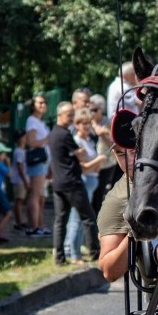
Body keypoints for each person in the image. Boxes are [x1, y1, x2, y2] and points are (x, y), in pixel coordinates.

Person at [48, 102, 102, 266]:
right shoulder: (64, 134)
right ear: (59, 115)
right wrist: (81, 153)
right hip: (71, 182)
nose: (71, 117)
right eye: (68, 114)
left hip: (58, 183)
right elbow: (82, 156)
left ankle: (59, 257)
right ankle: (94, 253)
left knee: (61, 221)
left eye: (72, 114)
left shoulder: (53, 133)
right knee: (88, 218)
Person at [64, 109, 104, 264]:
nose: (87, 126)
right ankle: (73, 254)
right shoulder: (77, 141)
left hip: (92, 182)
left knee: (82, 219)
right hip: (83, 182)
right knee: (77, 218)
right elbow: (84, 167)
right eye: (84, 124)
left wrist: (97, 163)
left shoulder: (89, 141)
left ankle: (73, 250)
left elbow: (93, 166)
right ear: (77, 125)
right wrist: (99, 160)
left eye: (89, 123)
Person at [97, 146, 136, 282]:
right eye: (120, 154)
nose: (129, 160)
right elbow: (109, 271)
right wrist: (136, 232)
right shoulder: (117, 200)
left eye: (134, 151)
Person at [25, 94, 51, 237]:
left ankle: (39, 225)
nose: (43, 105)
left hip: (43, 162)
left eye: (45, 102)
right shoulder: (32, 121)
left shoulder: (40, 122)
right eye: (40, 103)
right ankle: (33, 227)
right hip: (37, 161)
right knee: (35, 195)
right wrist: (48, 138)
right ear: (33, 105)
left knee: (40, 196)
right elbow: (31, 142)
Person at [89, 93, 120, 213]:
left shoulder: (108, 122)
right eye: (90, 109)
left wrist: (102, 133)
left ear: (101, 110)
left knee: (99, 191)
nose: (91, 112)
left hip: (105, 163)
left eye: (94, 110)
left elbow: (112, 144)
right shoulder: (87, 121)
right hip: (91, 162)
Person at [9, 129, 30, 232]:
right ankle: (19, 222)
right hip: (19, 180)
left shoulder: (23, 151)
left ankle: (21, 220)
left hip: (23, 179)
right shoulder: (18, 151)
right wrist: (25, 180)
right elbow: (20, 167)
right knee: (19, 200)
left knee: (21, 200)